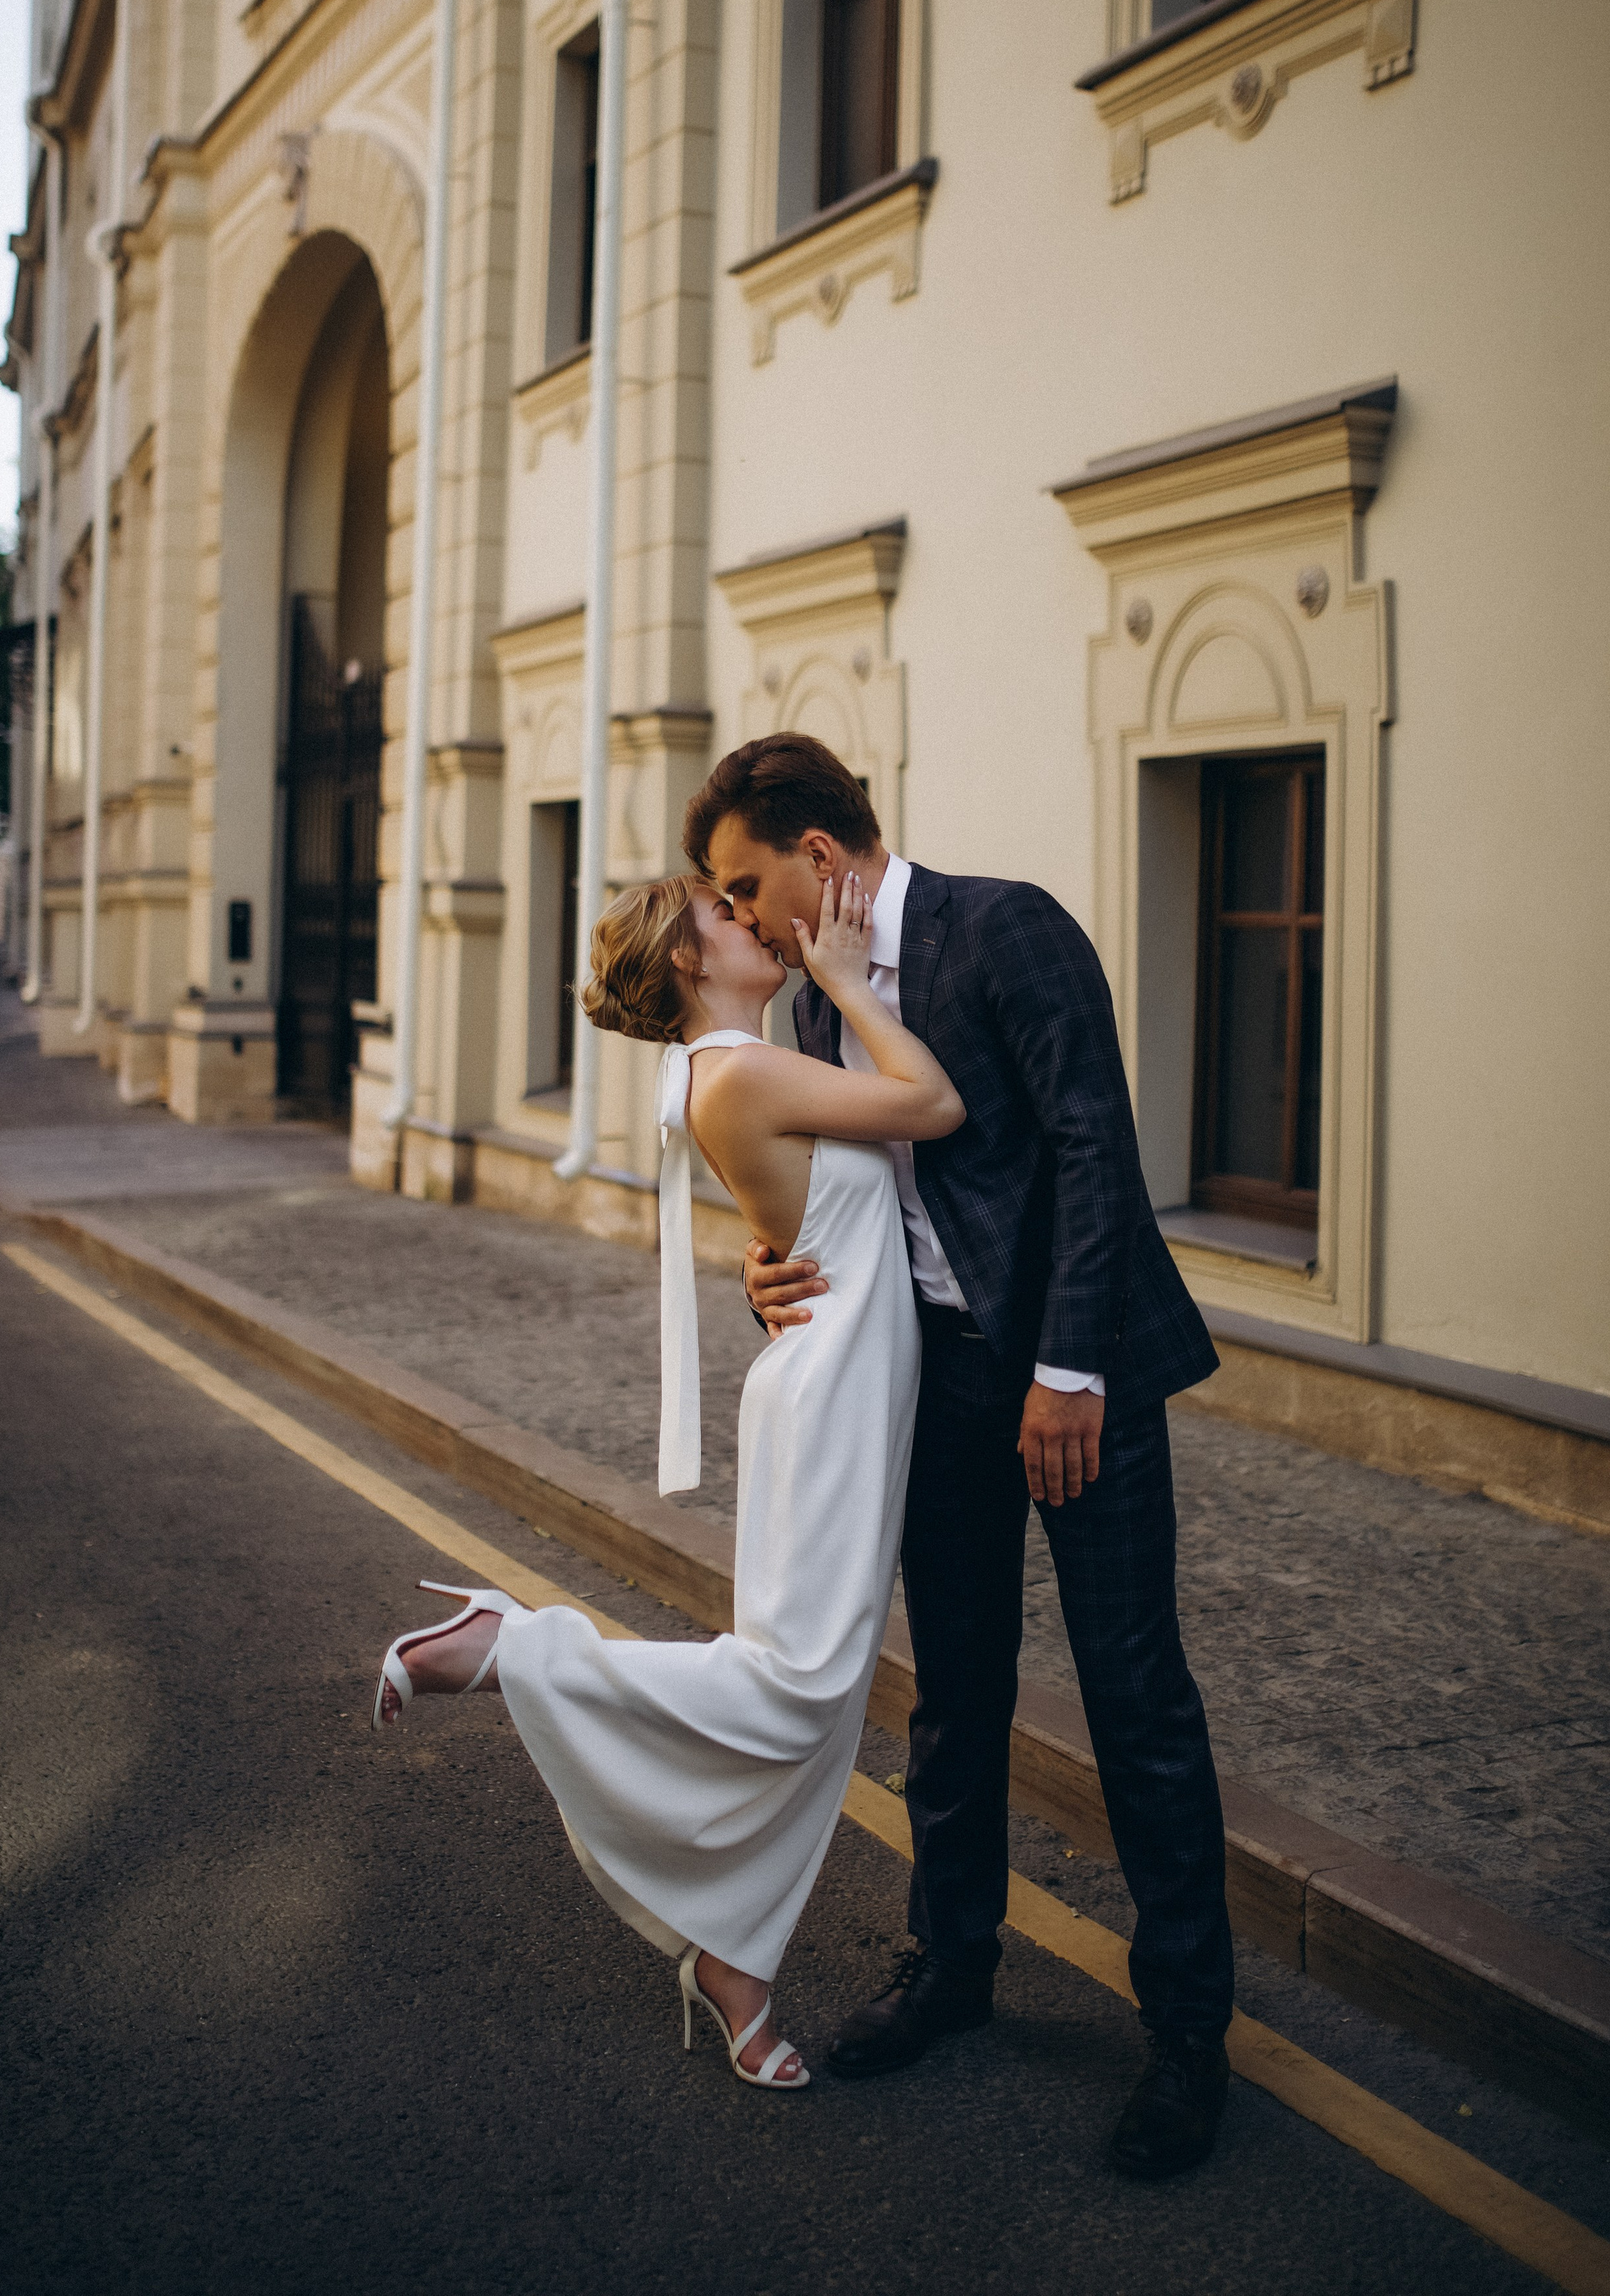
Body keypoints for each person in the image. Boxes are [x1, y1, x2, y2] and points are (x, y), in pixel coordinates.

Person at [686, 734, 1233, 2178]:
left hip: (1080, 1368)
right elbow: (831, 1188)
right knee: (955, 1690)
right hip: (924, 1383)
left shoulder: (1009, 925)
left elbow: (1090, 1152)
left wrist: (1067, 1370)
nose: (739, 923)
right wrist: (768, 1266)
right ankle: (951, 1966)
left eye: (746, 890)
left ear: (818, 857)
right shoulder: (815, 1011)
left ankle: (1186, 2038)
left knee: (1133, 1696)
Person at [370, 868, 963, 2090]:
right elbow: (934, 1106)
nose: (750, 918)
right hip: (836, 1398)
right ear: (690, 961)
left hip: (842, 1386)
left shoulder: (728, 1066)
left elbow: (808, 1215)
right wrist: (851, 984)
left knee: (819, 1705)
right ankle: (513, 1648)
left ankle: (734, 1959)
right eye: (723, 913)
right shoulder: (737, 1069)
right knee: (798, 1688)